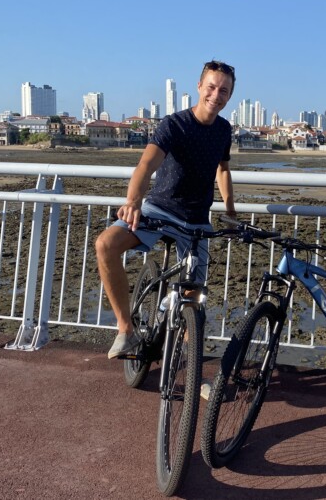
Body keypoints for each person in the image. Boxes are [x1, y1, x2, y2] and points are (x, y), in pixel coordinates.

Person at [95, 60, 237, 360]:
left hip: (197, 222)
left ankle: (186, 364)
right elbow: (146, 165)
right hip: (159, 210)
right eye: (211, 87)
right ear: (199, 87)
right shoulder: (174, 124)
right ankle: (125, 331)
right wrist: (133, 202)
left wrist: (231, 210)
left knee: (193, 299)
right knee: (105, 245)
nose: (216, 95)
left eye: (224, 90)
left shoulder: (224, 130)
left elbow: (222, 170)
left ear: (230, 95)